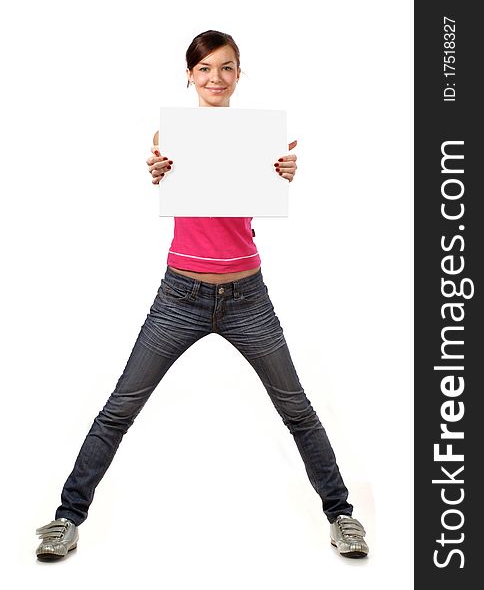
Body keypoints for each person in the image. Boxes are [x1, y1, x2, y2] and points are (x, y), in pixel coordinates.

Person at [35, 29, 369, 561]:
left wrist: (281, 173)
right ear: (189, 75)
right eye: (205, 68)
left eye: (227, 68)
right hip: (180, 297)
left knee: (297, 409)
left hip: (247, 297)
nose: (216, 78)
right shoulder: (170, 135)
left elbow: (254, 200)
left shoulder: (262, 137)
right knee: (121, 407)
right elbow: (170, 182)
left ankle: (342, 514)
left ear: (239, 74)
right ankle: (66, 518)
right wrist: (159, 172)